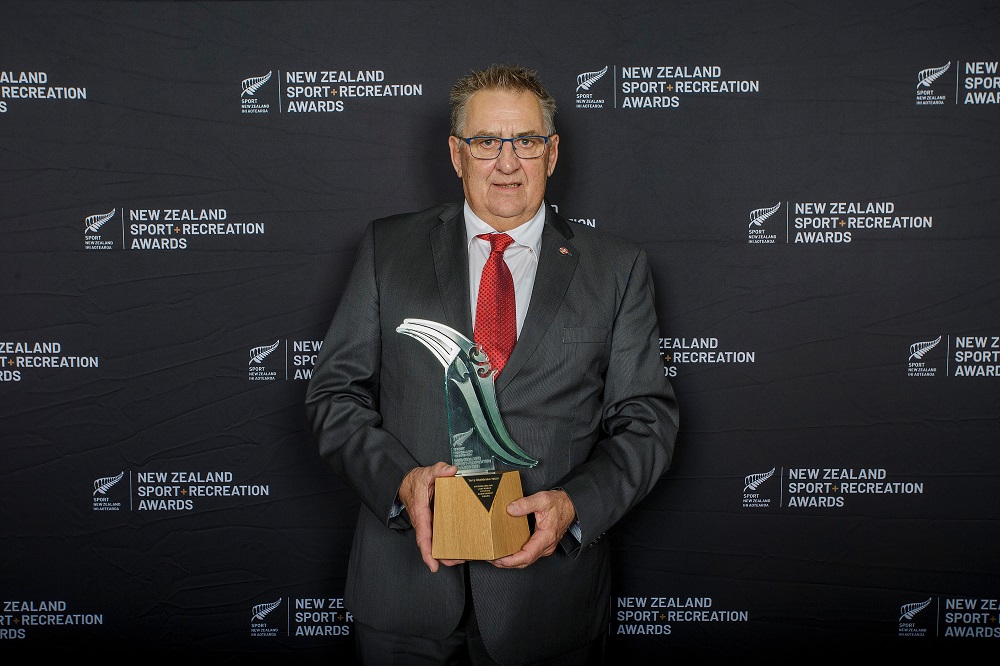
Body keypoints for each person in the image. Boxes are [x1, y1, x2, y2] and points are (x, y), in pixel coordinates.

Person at [305, 64, 679, 665]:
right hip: (406, 594)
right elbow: (334, 396)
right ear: (457, 153)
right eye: (486, 142)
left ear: (551, 152)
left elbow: (646, 422)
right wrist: (400, 483)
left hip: (548, 602)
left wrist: (573, 507)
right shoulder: (388, 250)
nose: (507, 162)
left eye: (526, 141)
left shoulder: (617, 268)